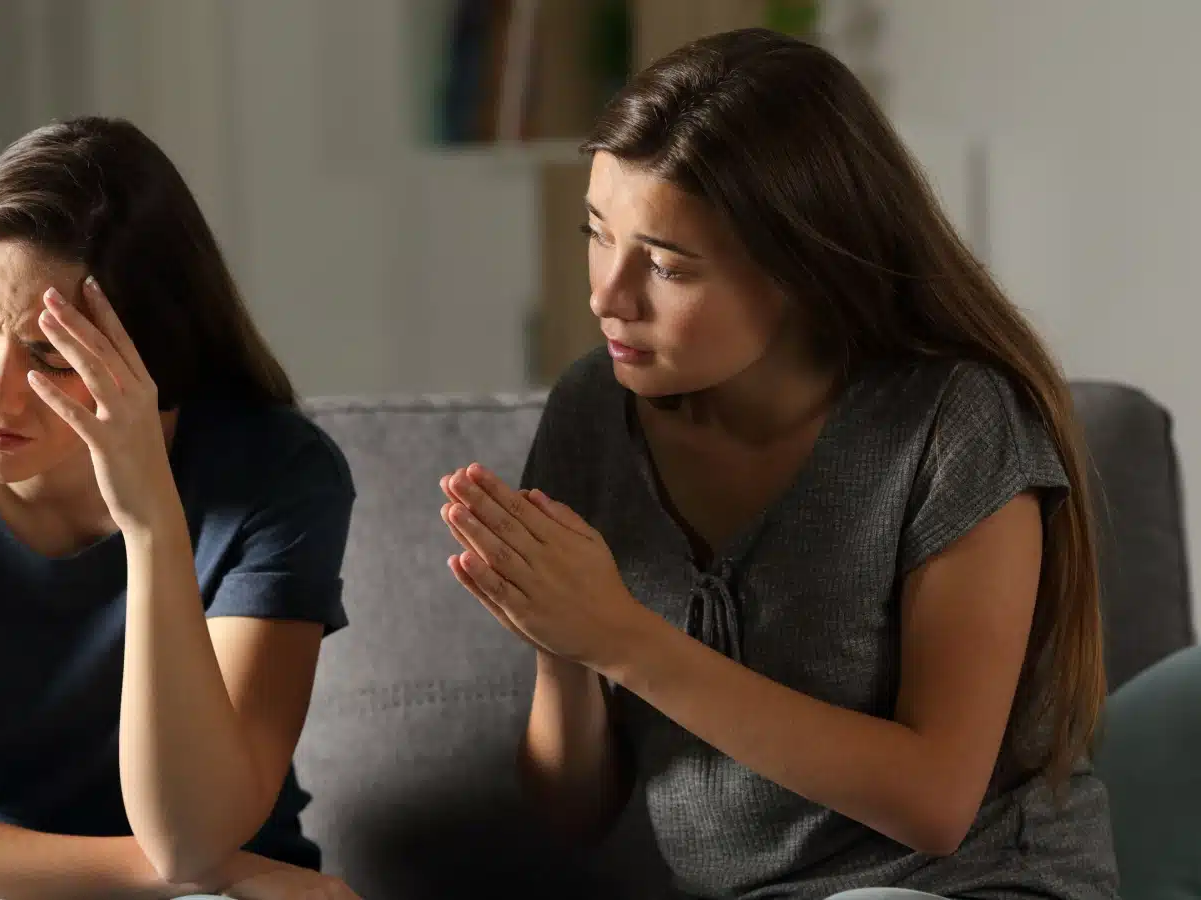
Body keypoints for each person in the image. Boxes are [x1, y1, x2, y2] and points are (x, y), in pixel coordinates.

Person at [439, 29, 1117, 900]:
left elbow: (936, 802)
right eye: (598, 235)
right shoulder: (592, 413)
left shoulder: (954, 421)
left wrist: (623, 638)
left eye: (669, 267)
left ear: (803, 268)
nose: (609, 294)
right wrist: (561, 645)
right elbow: (574, 815)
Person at [0, 117, 361, 900]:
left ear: (155, 356)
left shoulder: (277, 477)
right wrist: (189, 874)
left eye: (53, 357)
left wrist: (152, 524)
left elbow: (194, 829)